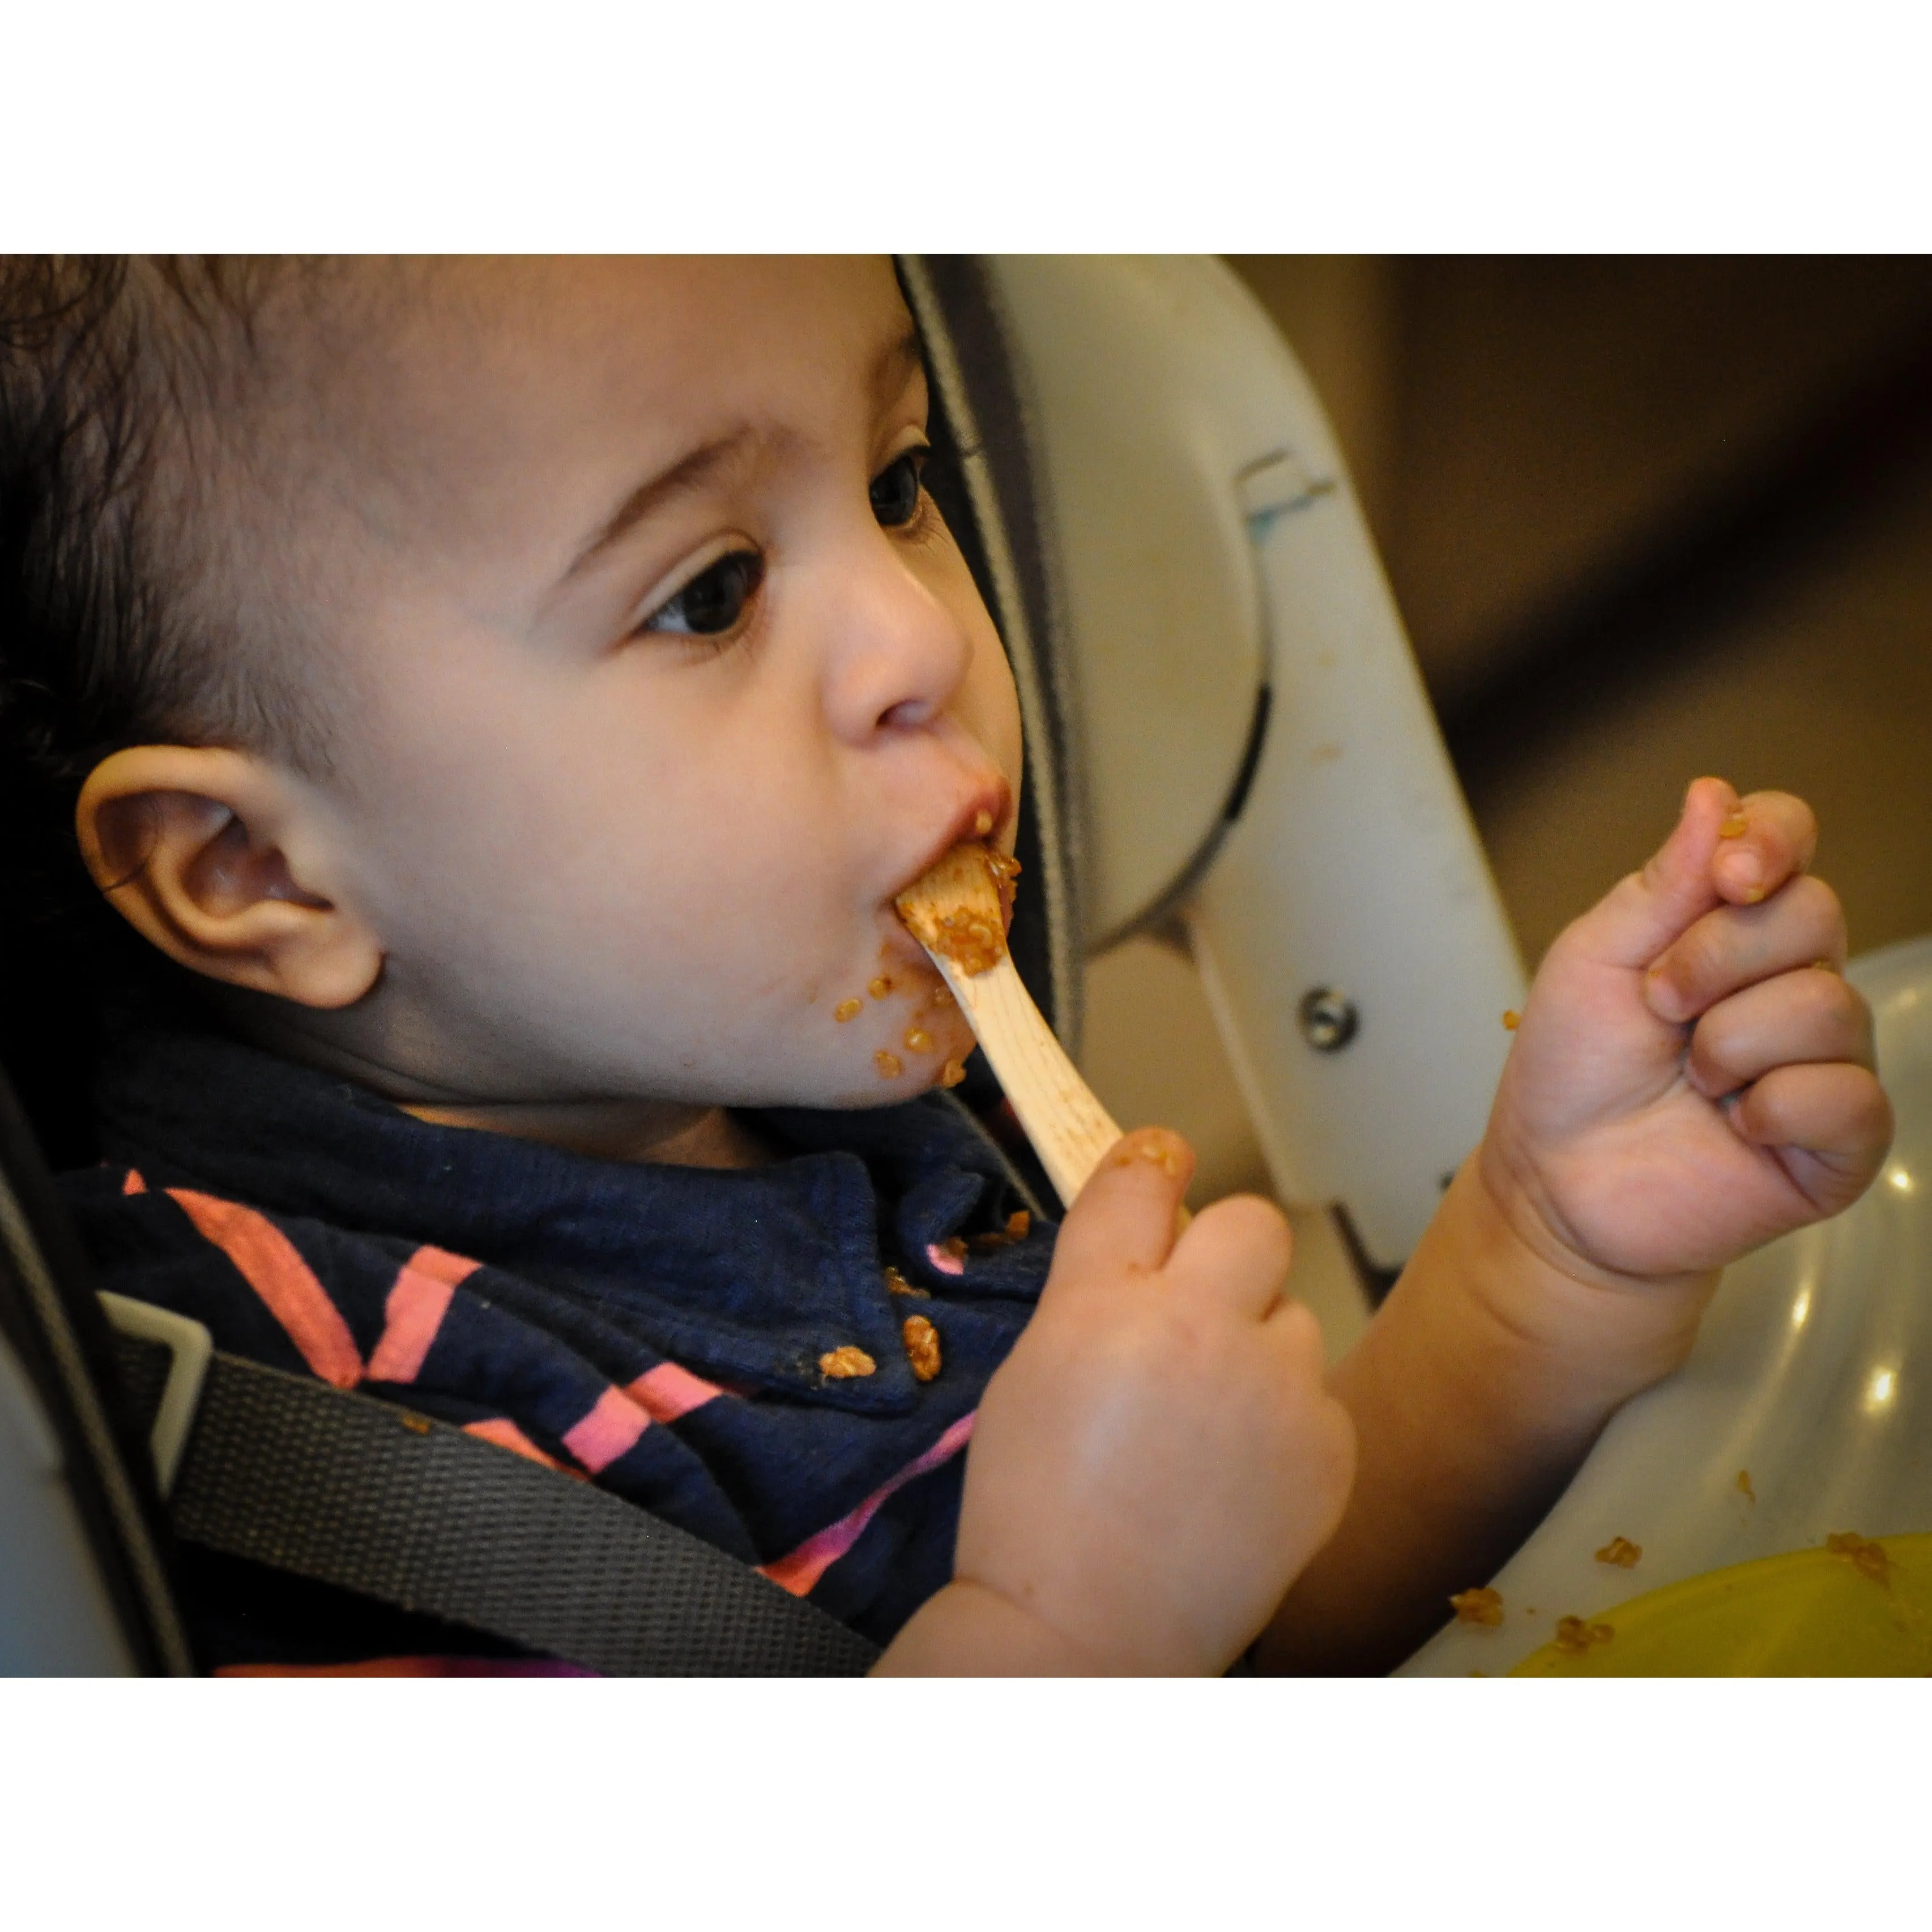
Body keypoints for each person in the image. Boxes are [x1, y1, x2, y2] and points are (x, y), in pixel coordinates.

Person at [0, 255, 1891, 1674]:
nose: (920, 630)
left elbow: (1269, 1628)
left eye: (898, 481)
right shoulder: (273, 1450)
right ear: (261, 874)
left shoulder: (825, 1120)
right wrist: (1058, 1634)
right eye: (711, 591)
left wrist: (1545, 1258)